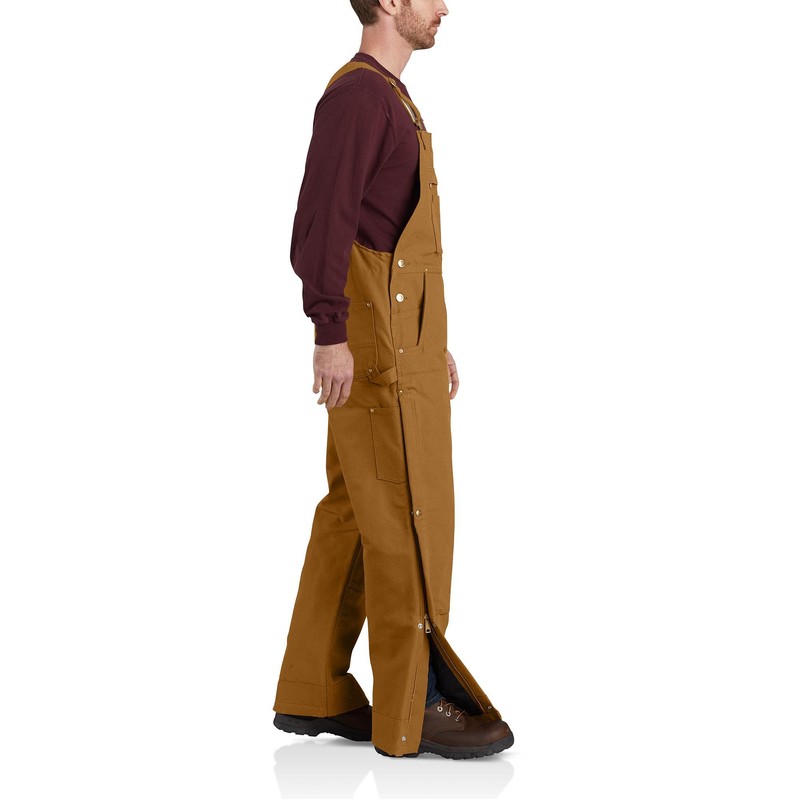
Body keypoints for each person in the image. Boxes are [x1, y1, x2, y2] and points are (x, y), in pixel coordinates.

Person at [272, 0, 514, 760]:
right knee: (405, 514)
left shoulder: (391, 97)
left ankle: (312, 686)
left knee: (354, 509)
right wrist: (329, 332)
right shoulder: (358, 98)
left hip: (395, 341)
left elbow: (388, 235)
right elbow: (322, 221)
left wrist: (428, 343)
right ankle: (417, 704)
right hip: (370, 345)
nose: (443, 7)